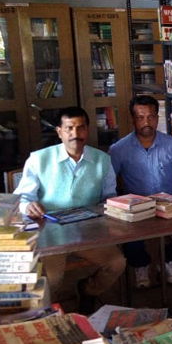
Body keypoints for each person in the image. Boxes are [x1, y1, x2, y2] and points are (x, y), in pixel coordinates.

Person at [14, 106, 125, 314]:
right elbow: (22, 197)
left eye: (81, 128)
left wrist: (112, 208)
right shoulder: (39, 159)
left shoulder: (102, 160)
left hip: (88, 232)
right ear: (59, 132)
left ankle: (88, 290)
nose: (75, 134)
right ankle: (47, 317)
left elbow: (109, 197)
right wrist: (28, 205)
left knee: (116, 263)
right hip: (50, 234)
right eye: (69, 128)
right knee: (52, 280)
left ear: (88, 130)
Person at [110, 95, 172, 288]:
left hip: (167, 207)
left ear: (158, 117)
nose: (146, 122)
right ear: (132, 119)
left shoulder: (171, 144)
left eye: (151, 117)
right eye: (140, 117)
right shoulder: (119, 149)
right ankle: (140, 264)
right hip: (136, 209)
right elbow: (108, 181)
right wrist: (118, 205)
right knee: (122, 230)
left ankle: (170, 258)